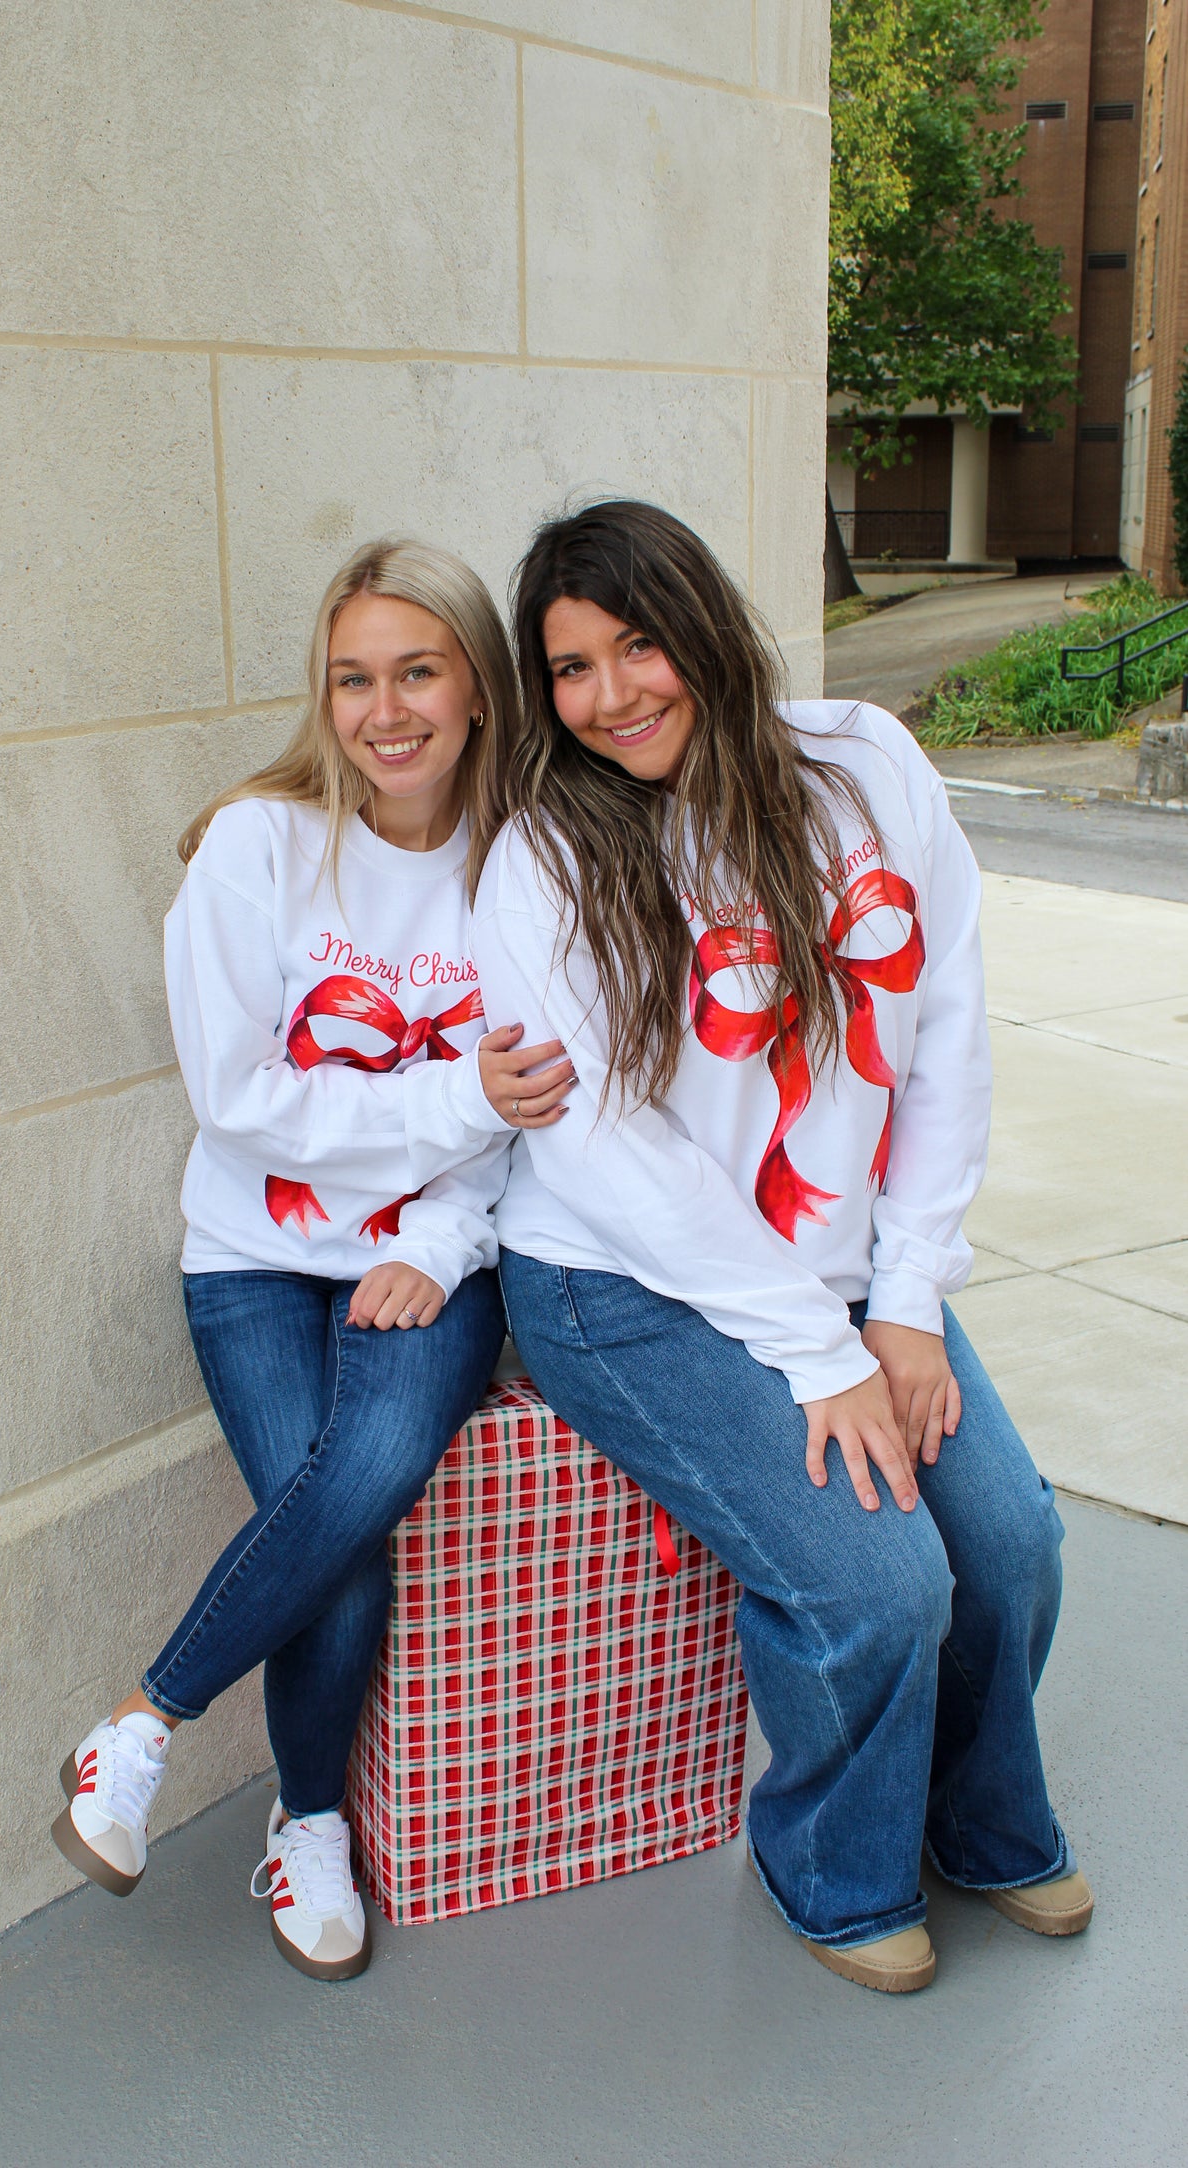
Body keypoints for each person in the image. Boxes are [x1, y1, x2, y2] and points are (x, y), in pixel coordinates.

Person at [470, 499, 1091, 1993]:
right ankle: (831, 1868)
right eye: (567, 669)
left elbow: (939, 1031)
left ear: (704, 625)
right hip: (624, 1286)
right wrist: (820, 1354)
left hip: (838, 1271)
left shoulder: (864, 764)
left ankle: (981, 1824)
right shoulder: (543, 859)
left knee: (1007, 1545)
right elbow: (615, 1162)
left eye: (636, 644)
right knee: (878, 1584)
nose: (610, 695)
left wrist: (907, 1303)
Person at [52, 540, 571, 1981]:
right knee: (327, 1534)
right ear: (322, 695)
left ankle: (144, 1729)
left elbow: (544, 1113)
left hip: (430, 1262)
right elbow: (241, 1099)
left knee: (366, 1469)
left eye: (418, 671)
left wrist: (441, 1234)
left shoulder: (528, 866)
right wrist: (458, 1098)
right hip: (256, 1260)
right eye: (353, 678)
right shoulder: (259, 849)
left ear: (478, 687)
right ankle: (311, 1822)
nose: (384, 710)